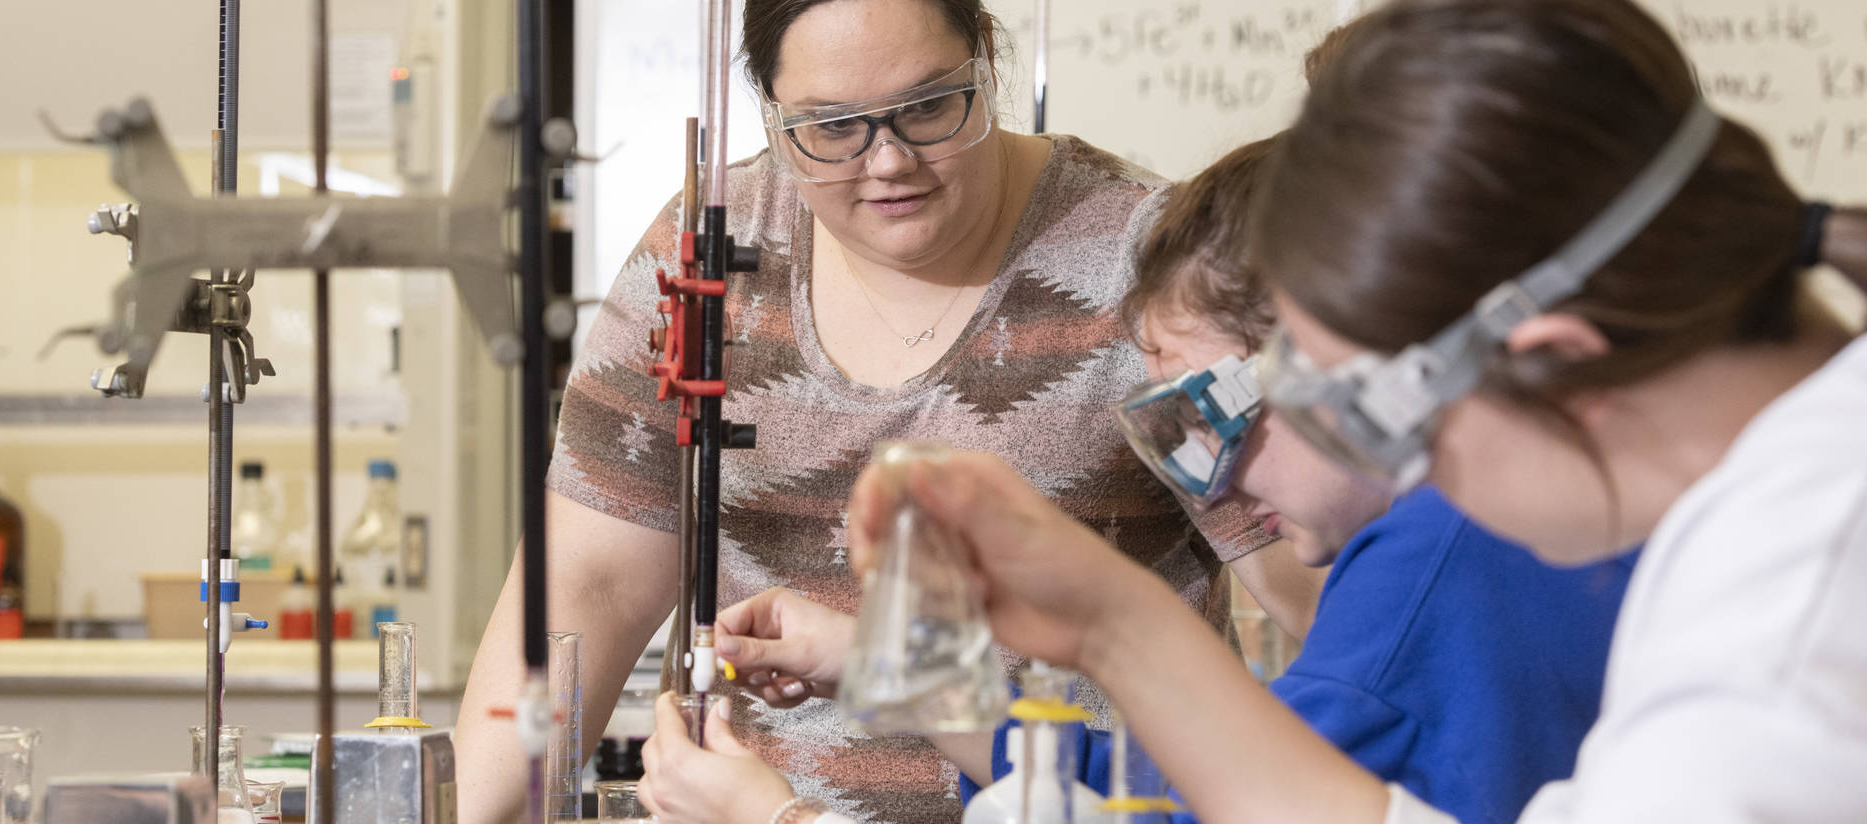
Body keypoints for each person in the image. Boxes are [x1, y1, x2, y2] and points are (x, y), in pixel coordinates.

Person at [828, 0, 1867, 822]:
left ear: (1554, 363)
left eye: (1368, 418)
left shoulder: (1791, 616)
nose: (1418, 491)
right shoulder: (1781, 499)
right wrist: (1112, 622)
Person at [452, 1, 1321, 821]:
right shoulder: (707, 254)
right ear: (770, 106)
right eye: (831, 127)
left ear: (984, 49)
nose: (888, 161)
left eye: (929, 106)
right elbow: (586, 588)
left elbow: (1316, 594)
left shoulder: (1147, 268)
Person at [638, 135, 1639, 824]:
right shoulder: (1456, 535)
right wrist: (895, 665)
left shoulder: (1429, 574)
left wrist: (771, 810)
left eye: (1211, 414)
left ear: (1346, 363)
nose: (1207, 479)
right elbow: (1187, 778)